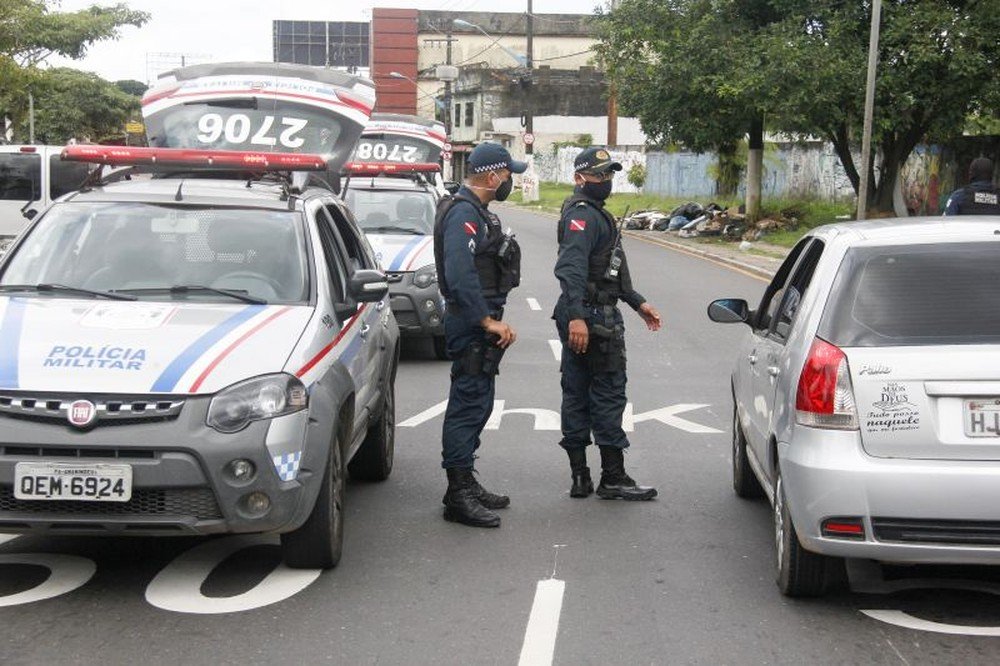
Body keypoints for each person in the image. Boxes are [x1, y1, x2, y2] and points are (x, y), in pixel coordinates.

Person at [553, 147, 662, 501]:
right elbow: (571, 270)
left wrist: (637, 301)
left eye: (609, 174)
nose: (606, 181)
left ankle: (582, 477)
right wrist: (578, 319)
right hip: (592, 318)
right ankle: (610, 477)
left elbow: (610, 270)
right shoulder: (582, 218)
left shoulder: (594, 215)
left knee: (578, 391)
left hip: (589, 312)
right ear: (580, 178)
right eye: (599, 175)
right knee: (606, 393)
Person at [432, 142, 525, 527]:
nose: (508, 181)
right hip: (471, 322)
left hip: (477, 320)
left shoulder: (474, 211)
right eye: (507, 174)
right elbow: (459, 272)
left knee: (479, 402)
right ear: (491, 175)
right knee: (468, 404)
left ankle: (466, 481)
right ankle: (458, 494)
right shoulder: (464, 214)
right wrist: (487, 321)